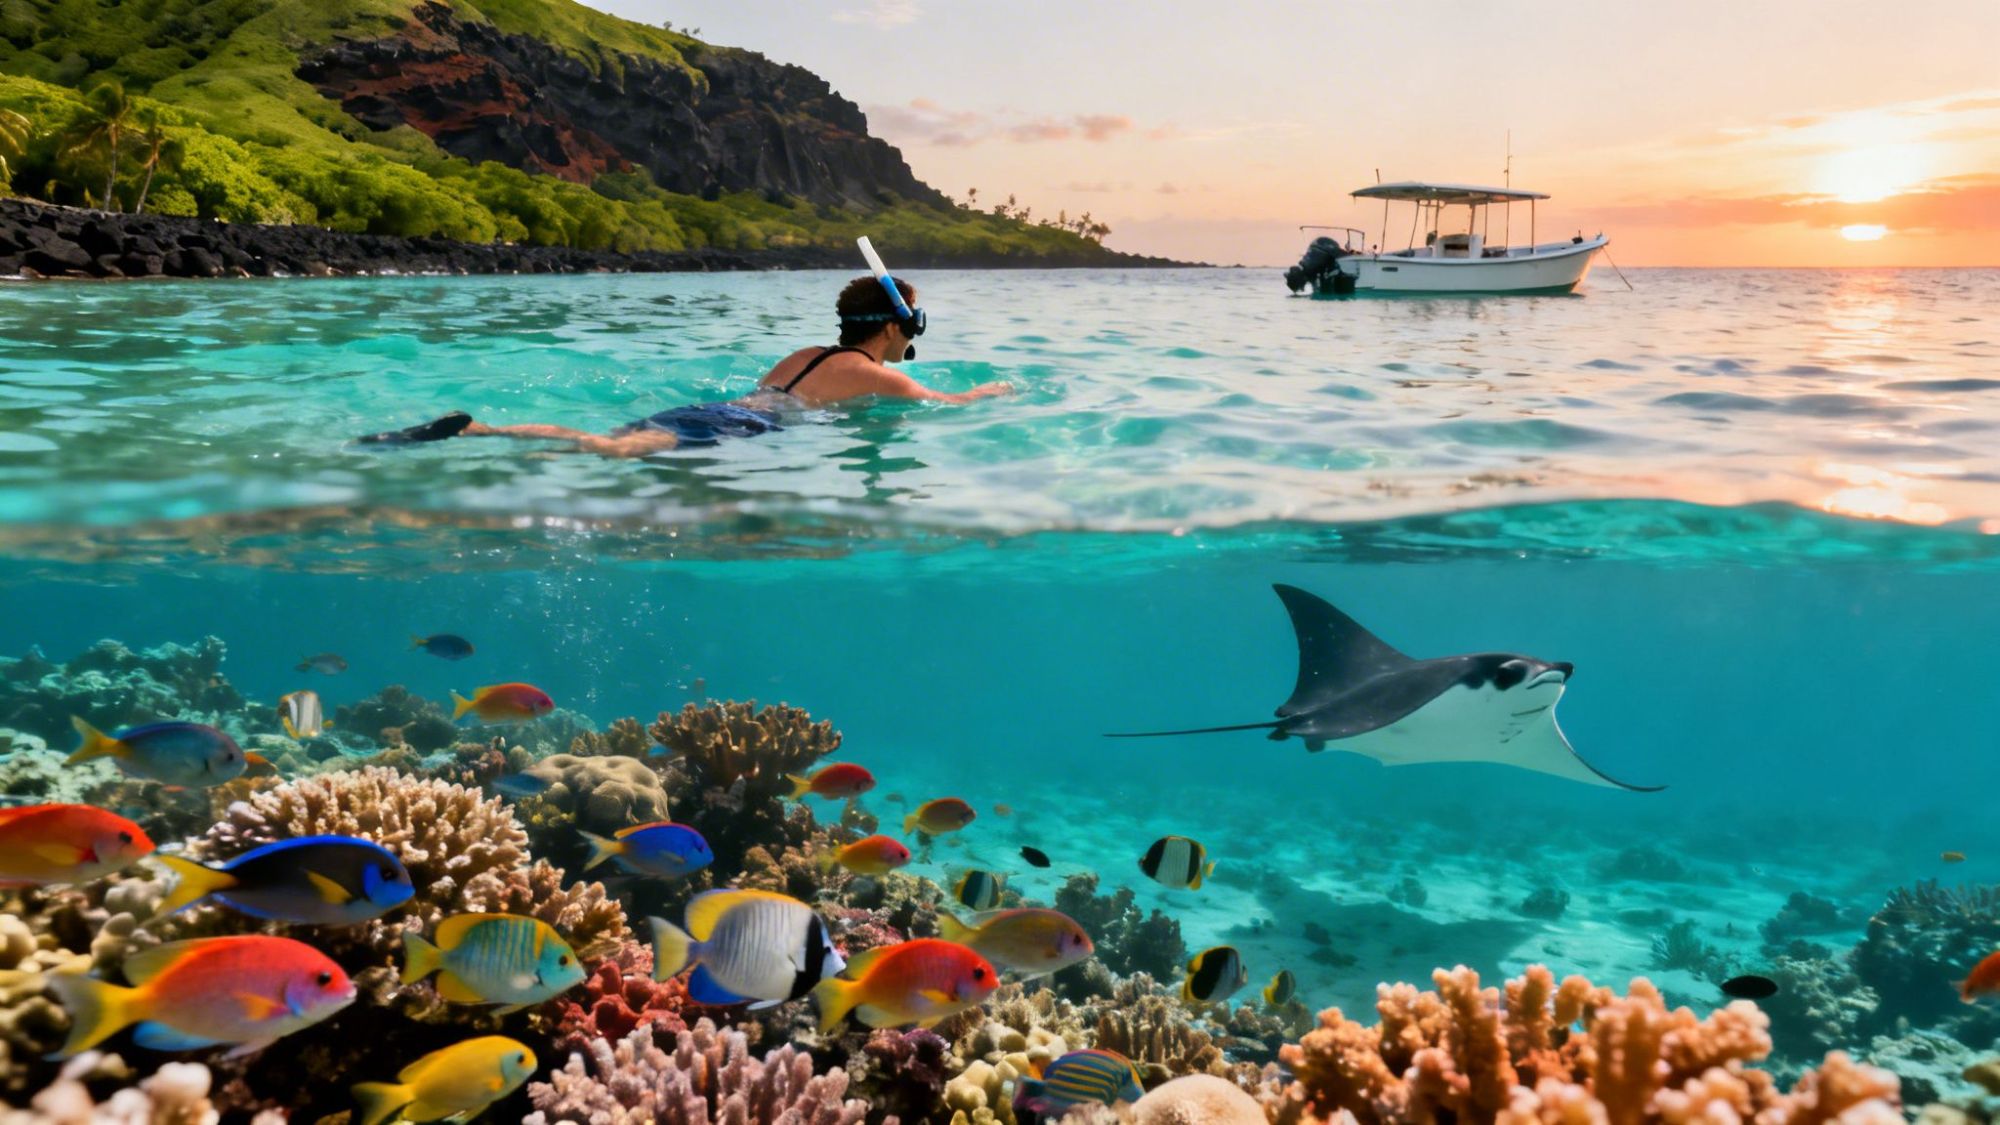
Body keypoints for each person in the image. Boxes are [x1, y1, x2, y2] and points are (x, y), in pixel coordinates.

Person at [360, 276, 1012, 457]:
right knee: (607, 451)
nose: (914, 337)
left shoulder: (804, 355)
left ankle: (483, 432)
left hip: (718, 412)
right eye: (915, 325)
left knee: (610, 441)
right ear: (897, 327)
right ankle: (480, 438)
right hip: (739, 430)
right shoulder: (878, 374)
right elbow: (941, 406)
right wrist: (990, 392)